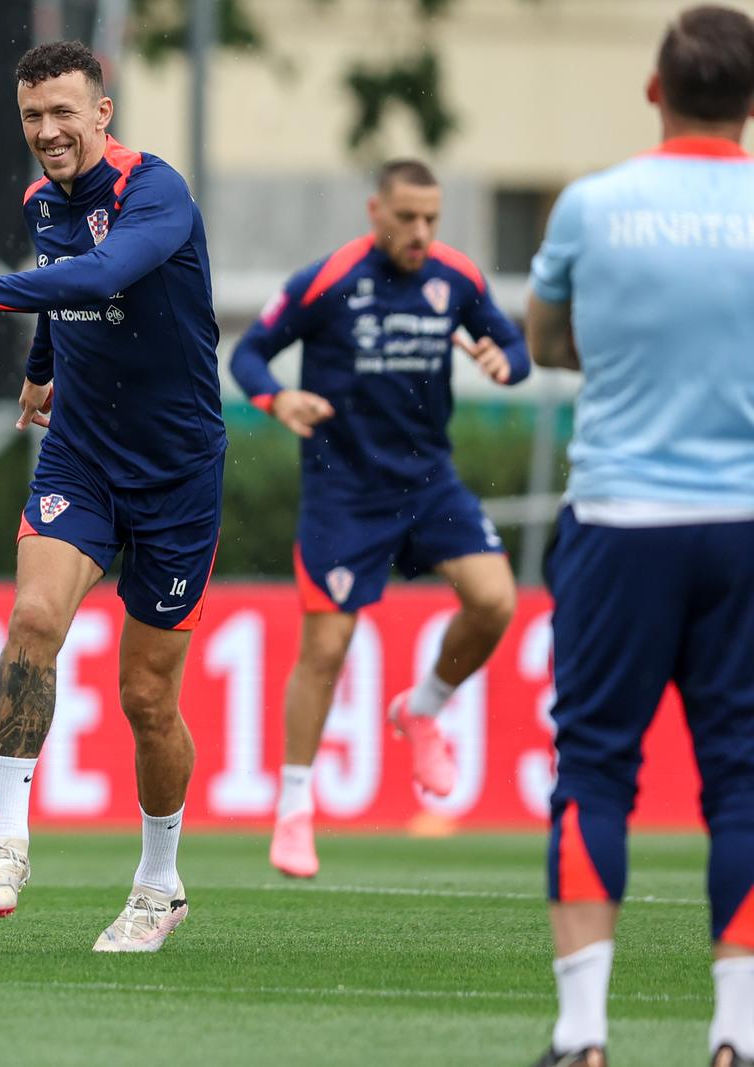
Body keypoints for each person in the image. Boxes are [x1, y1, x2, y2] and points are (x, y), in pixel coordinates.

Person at [0, 40, 224, 953]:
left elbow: (101, 276)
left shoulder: (154, 192)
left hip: (177, 470)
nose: (48, 132)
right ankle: (8, 834)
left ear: (103, 113)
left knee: (147, 697)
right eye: (33, 116)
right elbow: (60, 299)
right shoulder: (44, 200)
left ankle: (159, 884)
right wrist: (42, 371)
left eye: (65, 113)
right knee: (33, 616)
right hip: (81, 454)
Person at [523, 7, 754, 1066]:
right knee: (744, 779)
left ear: (654, 92)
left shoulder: (592, 205)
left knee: (596, 769)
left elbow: (546, 338)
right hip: (745, 521)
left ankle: (581, 1035)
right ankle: (737, 1033)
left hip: (620, 518)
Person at [228, 161, 529, 880]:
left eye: (432, 218)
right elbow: (248, 353)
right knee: (326, 648)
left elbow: (515, 347)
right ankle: (295, 807)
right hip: (344, 492)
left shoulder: (457, 277)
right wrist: (277, 400)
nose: (421, 232)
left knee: (494, 600)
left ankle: (422, 709)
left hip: (430, 483)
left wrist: (504, 361)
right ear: (376, 212)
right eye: (407, 218)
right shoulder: (326, 280)